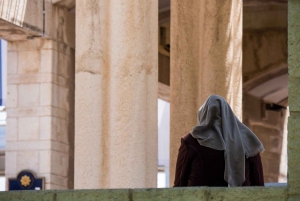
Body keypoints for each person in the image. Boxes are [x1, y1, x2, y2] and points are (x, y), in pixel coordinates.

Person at [173, 95, 265, 187]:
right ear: (229, 115)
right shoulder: (248, 141)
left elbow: (179, 186)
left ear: (203, 115)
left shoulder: (191, 141)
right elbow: (259, 186)